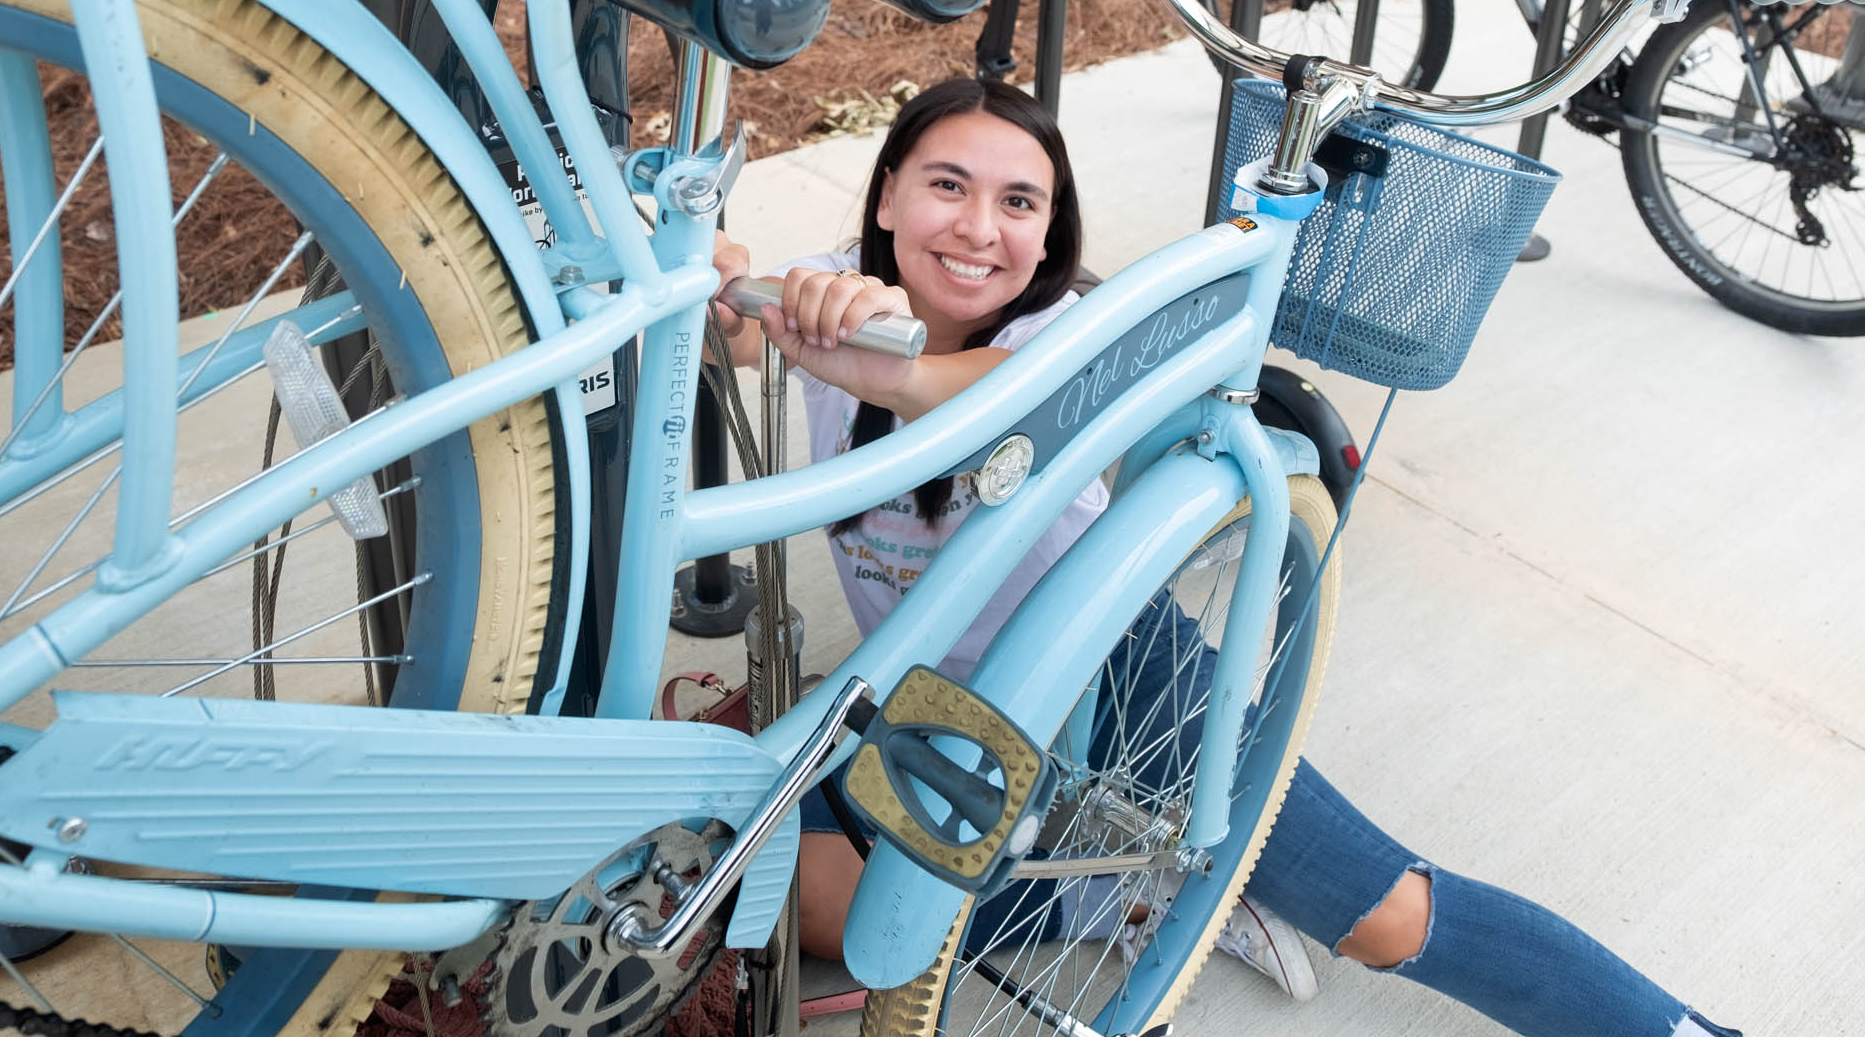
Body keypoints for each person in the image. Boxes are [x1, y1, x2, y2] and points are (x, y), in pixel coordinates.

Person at [707, 77, 1739, 1037]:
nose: (980, 228)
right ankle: (1118, 890)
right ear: (886, 194)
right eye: (948, 185)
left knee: (1384, 913)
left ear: (1048, 230)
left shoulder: (1063, 338)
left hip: (1121, 679)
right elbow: (742, 329)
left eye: (1020, 202)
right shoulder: (845, 295)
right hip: (941, 704)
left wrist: (878, 356)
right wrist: (721, 282)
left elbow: (984, 398)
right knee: (801, 895)